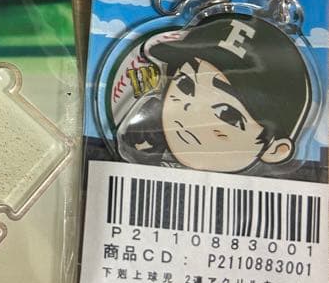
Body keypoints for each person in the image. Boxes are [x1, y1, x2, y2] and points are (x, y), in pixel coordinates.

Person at [116, 13, 312, 174]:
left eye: (226, 113)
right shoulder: (145, 145)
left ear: (276, 150)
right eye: (185, 84)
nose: (190, 107)